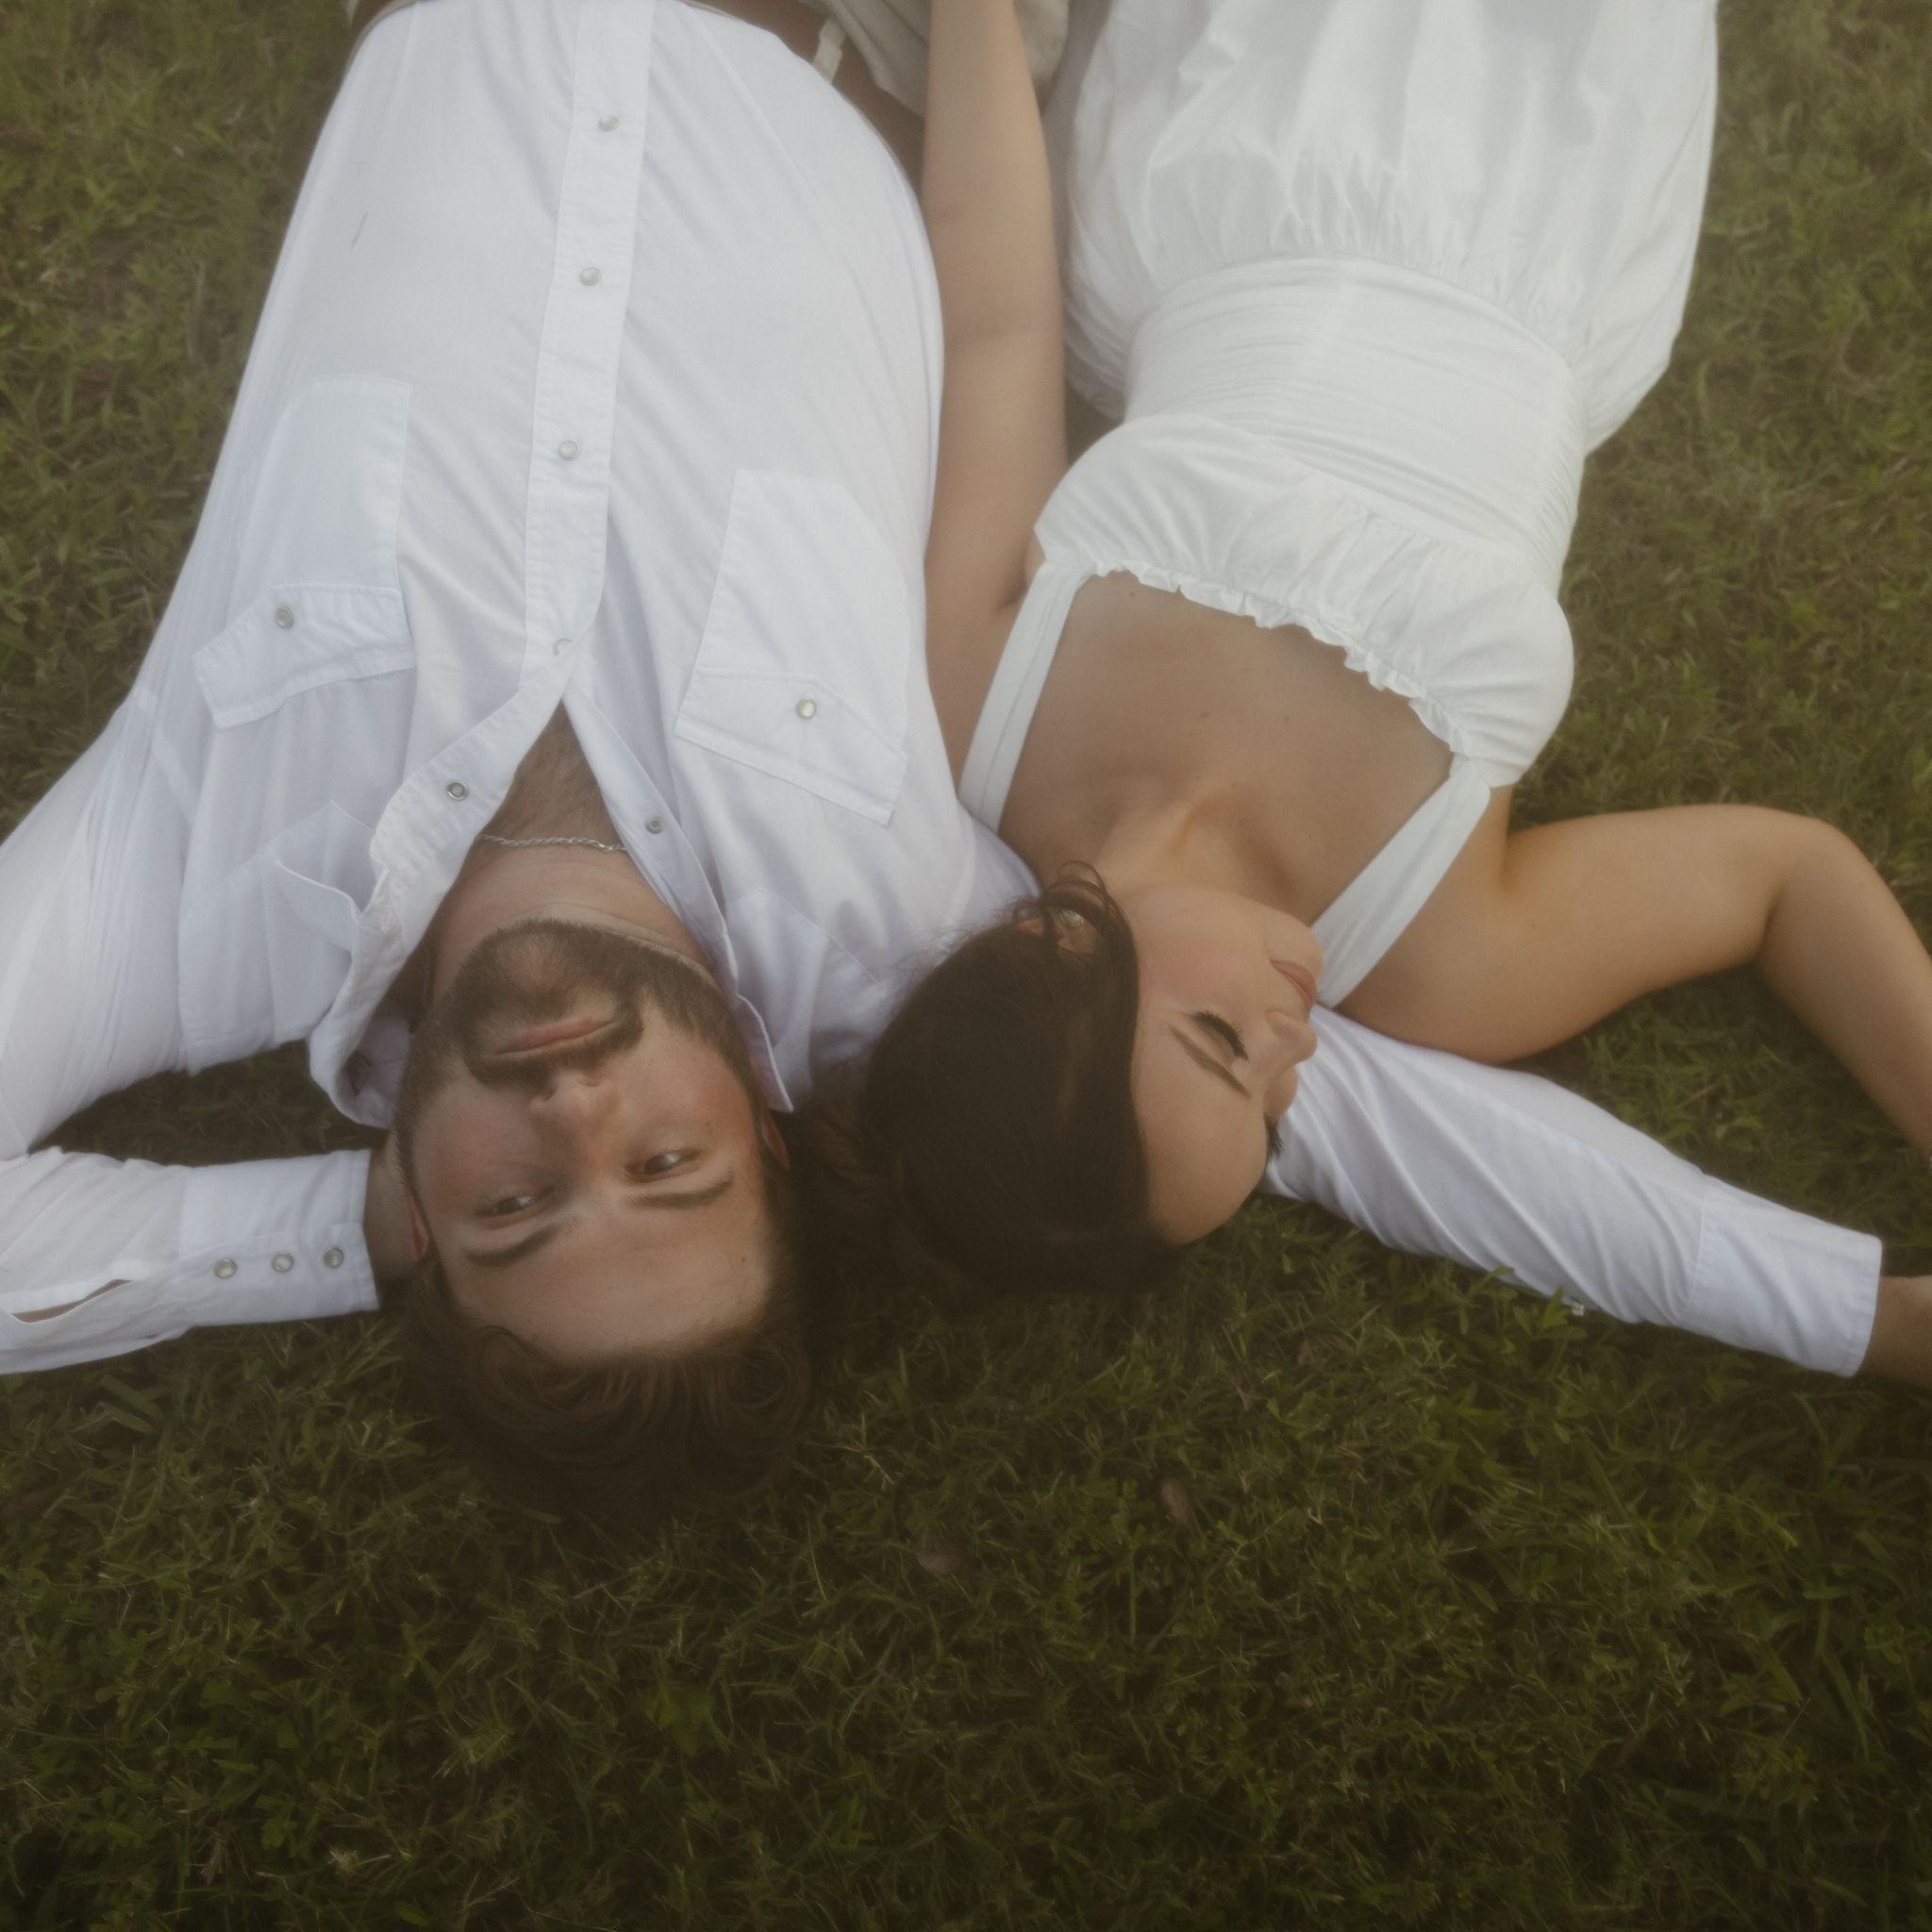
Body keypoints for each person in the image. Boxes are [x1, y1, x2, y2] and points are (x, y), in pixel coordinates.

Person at [1, 1, 1916, 1531]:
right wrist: (1855, 1316)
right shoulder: (909, 937)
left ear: (416, 1211)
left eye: (514, 1207)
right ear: (769, 1132)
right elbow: (1369, 1120)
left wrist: (337, 1240)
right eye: (664, 1166)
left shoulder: (181, 876)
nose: (573, 1111)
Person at [823, 0, 1932, 1385]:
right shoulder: (1439, 957)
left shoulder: (985, 705)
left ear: (1053, 947)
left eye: (1222, 1043)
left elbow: (995, 321)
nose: (1298, 1043)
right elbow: (1782, 880)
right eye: (1274, 1110)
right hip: (1544, 209)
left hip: (1237, 147)